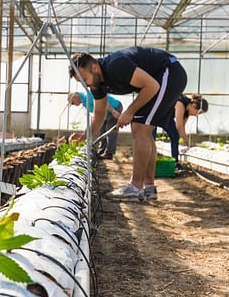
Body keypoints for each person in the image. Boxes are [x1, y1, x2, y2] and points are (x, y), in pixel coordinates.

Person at [68, 46, 187, 201]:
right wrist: (85, 135)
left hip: (169, 72)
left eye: (85, 79)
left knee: (139, 128)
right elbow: (98, 114)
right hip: (160, 80)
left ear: (94, 67)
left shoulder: (116, 66)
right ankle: (148, 187)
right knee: (143, 129)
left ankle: (135, 187)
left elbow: (152, 86)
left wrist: (129, 111)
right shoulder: (96, 84)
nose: (86, 85)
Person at [156, 94, 209, 170]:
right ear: (193, 105)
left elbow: (182, 127)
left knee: (175, 136)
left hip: (166, 117)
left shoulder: (187, 111)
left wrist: (186, 141)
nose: (196, 115)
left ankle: (175, 163)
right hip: (157, 113)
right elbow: (179, 126)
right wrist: (188, 142)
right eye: (198, 112)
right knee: (151, 137)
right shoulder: (181, 103)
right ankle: (149, 163)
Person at [68, 91, 122, 158]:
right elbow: (94, 116)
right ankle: (101, 150)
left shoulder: (87, 96)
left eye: (73, 103)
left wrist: (113, 112)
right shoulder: (85, 102)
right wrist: (85, 133)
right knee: (101, 130)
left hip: (114, 107)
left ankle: (109, 153)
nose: (74, 105)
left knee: (110, 131)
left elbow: (103, 103)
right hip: (105, 113)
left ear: (75, 97)